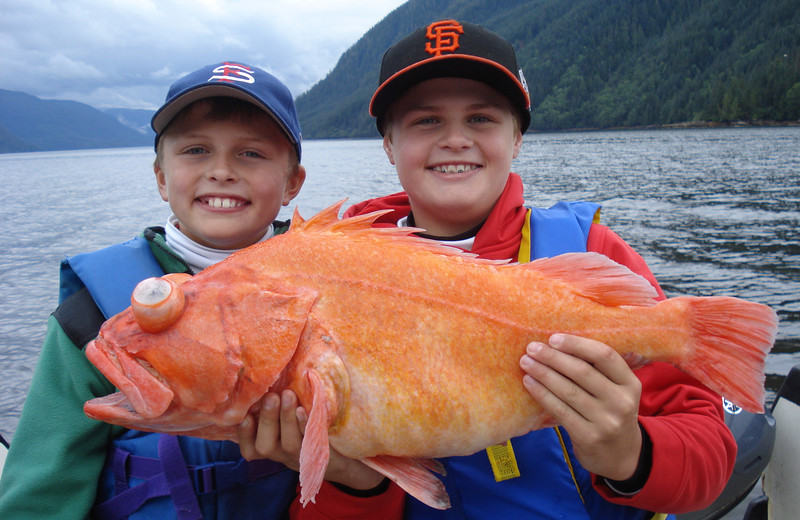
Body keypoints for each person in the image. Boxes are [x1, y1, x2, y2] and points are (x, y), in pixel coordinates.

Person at [334, 20, 735, 519]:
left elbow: (710, 460)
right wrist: (350, 477)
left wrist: (629, 453)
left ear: (517, 137)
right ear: (389, 144)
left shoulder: (591, 250)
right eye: (425, 121)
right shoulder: (341, 271)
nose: (455, 139)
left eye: (481, 119)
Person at [0, 61, 402, 520]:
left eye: (251, 153)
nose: (222, 171)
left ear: (293, 182)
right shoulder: (93, 312)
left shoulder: (335, 285)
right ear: (160, 177)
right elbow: (41, 490)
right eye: (195, 150)